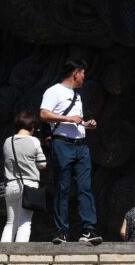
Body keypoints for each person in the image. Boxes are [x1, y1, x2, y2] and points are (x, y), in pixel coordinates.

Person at [40, 58, 102, 244]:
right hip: (62, 145)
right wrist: (68, 118)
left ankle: (88, 230)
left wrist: (86, 124)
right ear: (75, 73)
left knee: (85, 187)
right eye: (83, 73)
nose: (84, 77)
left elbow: (75, 121)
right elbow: (44, 114)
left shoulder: (78, 96)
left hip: (81, 145)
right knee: (62, 187)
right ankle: (62, 231)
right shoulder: (53, 91)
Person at [0, 110, 48, 242]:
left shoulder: (7, 141)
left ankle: (2, 251)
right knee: (25, 223)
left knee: (10, 222)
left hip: (10, 185)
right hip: (29, 186)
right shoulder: (34, 141)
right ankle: (19, 253)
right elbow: (42, 164)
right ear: (32, 126)